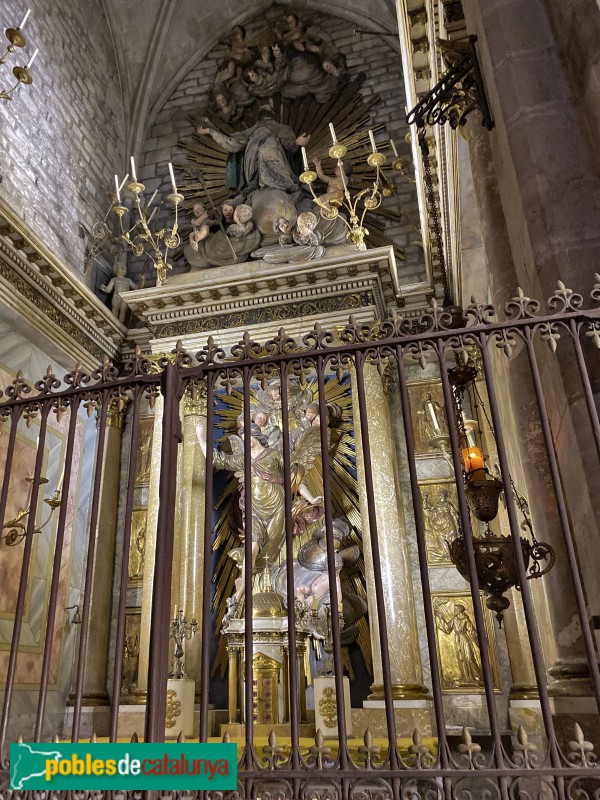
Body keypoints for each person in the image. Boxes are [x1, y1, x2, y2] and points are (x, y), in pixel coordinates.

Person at [195, 419, 322, 603]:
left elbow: (293, 479)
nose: (244, 440)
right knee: (252, 547)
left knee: (269, 548)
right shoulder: (242, 459)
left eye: (246, 436)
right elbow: (216, 459)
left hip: (277, 507)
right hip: (253, 508)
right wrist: (200, 437)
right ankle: (240, 594)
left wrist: (310, 498)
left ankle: (246, 585)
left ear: (255, 435)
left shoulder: (275, 455)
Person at [197, 106, 310, 198]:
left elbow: (290, 146)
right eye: (261, 108)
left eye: (266, 107)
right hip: (252, 162)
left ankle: (286, 186)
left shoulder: (282, 128)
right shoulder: (251, 131)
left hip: (273, 157)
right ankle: (254, 185)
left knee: (267, 148)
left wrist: (297, 143)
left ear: (272, 112)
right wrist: (210, 131)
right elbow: (232, 142)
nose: (263, 108)